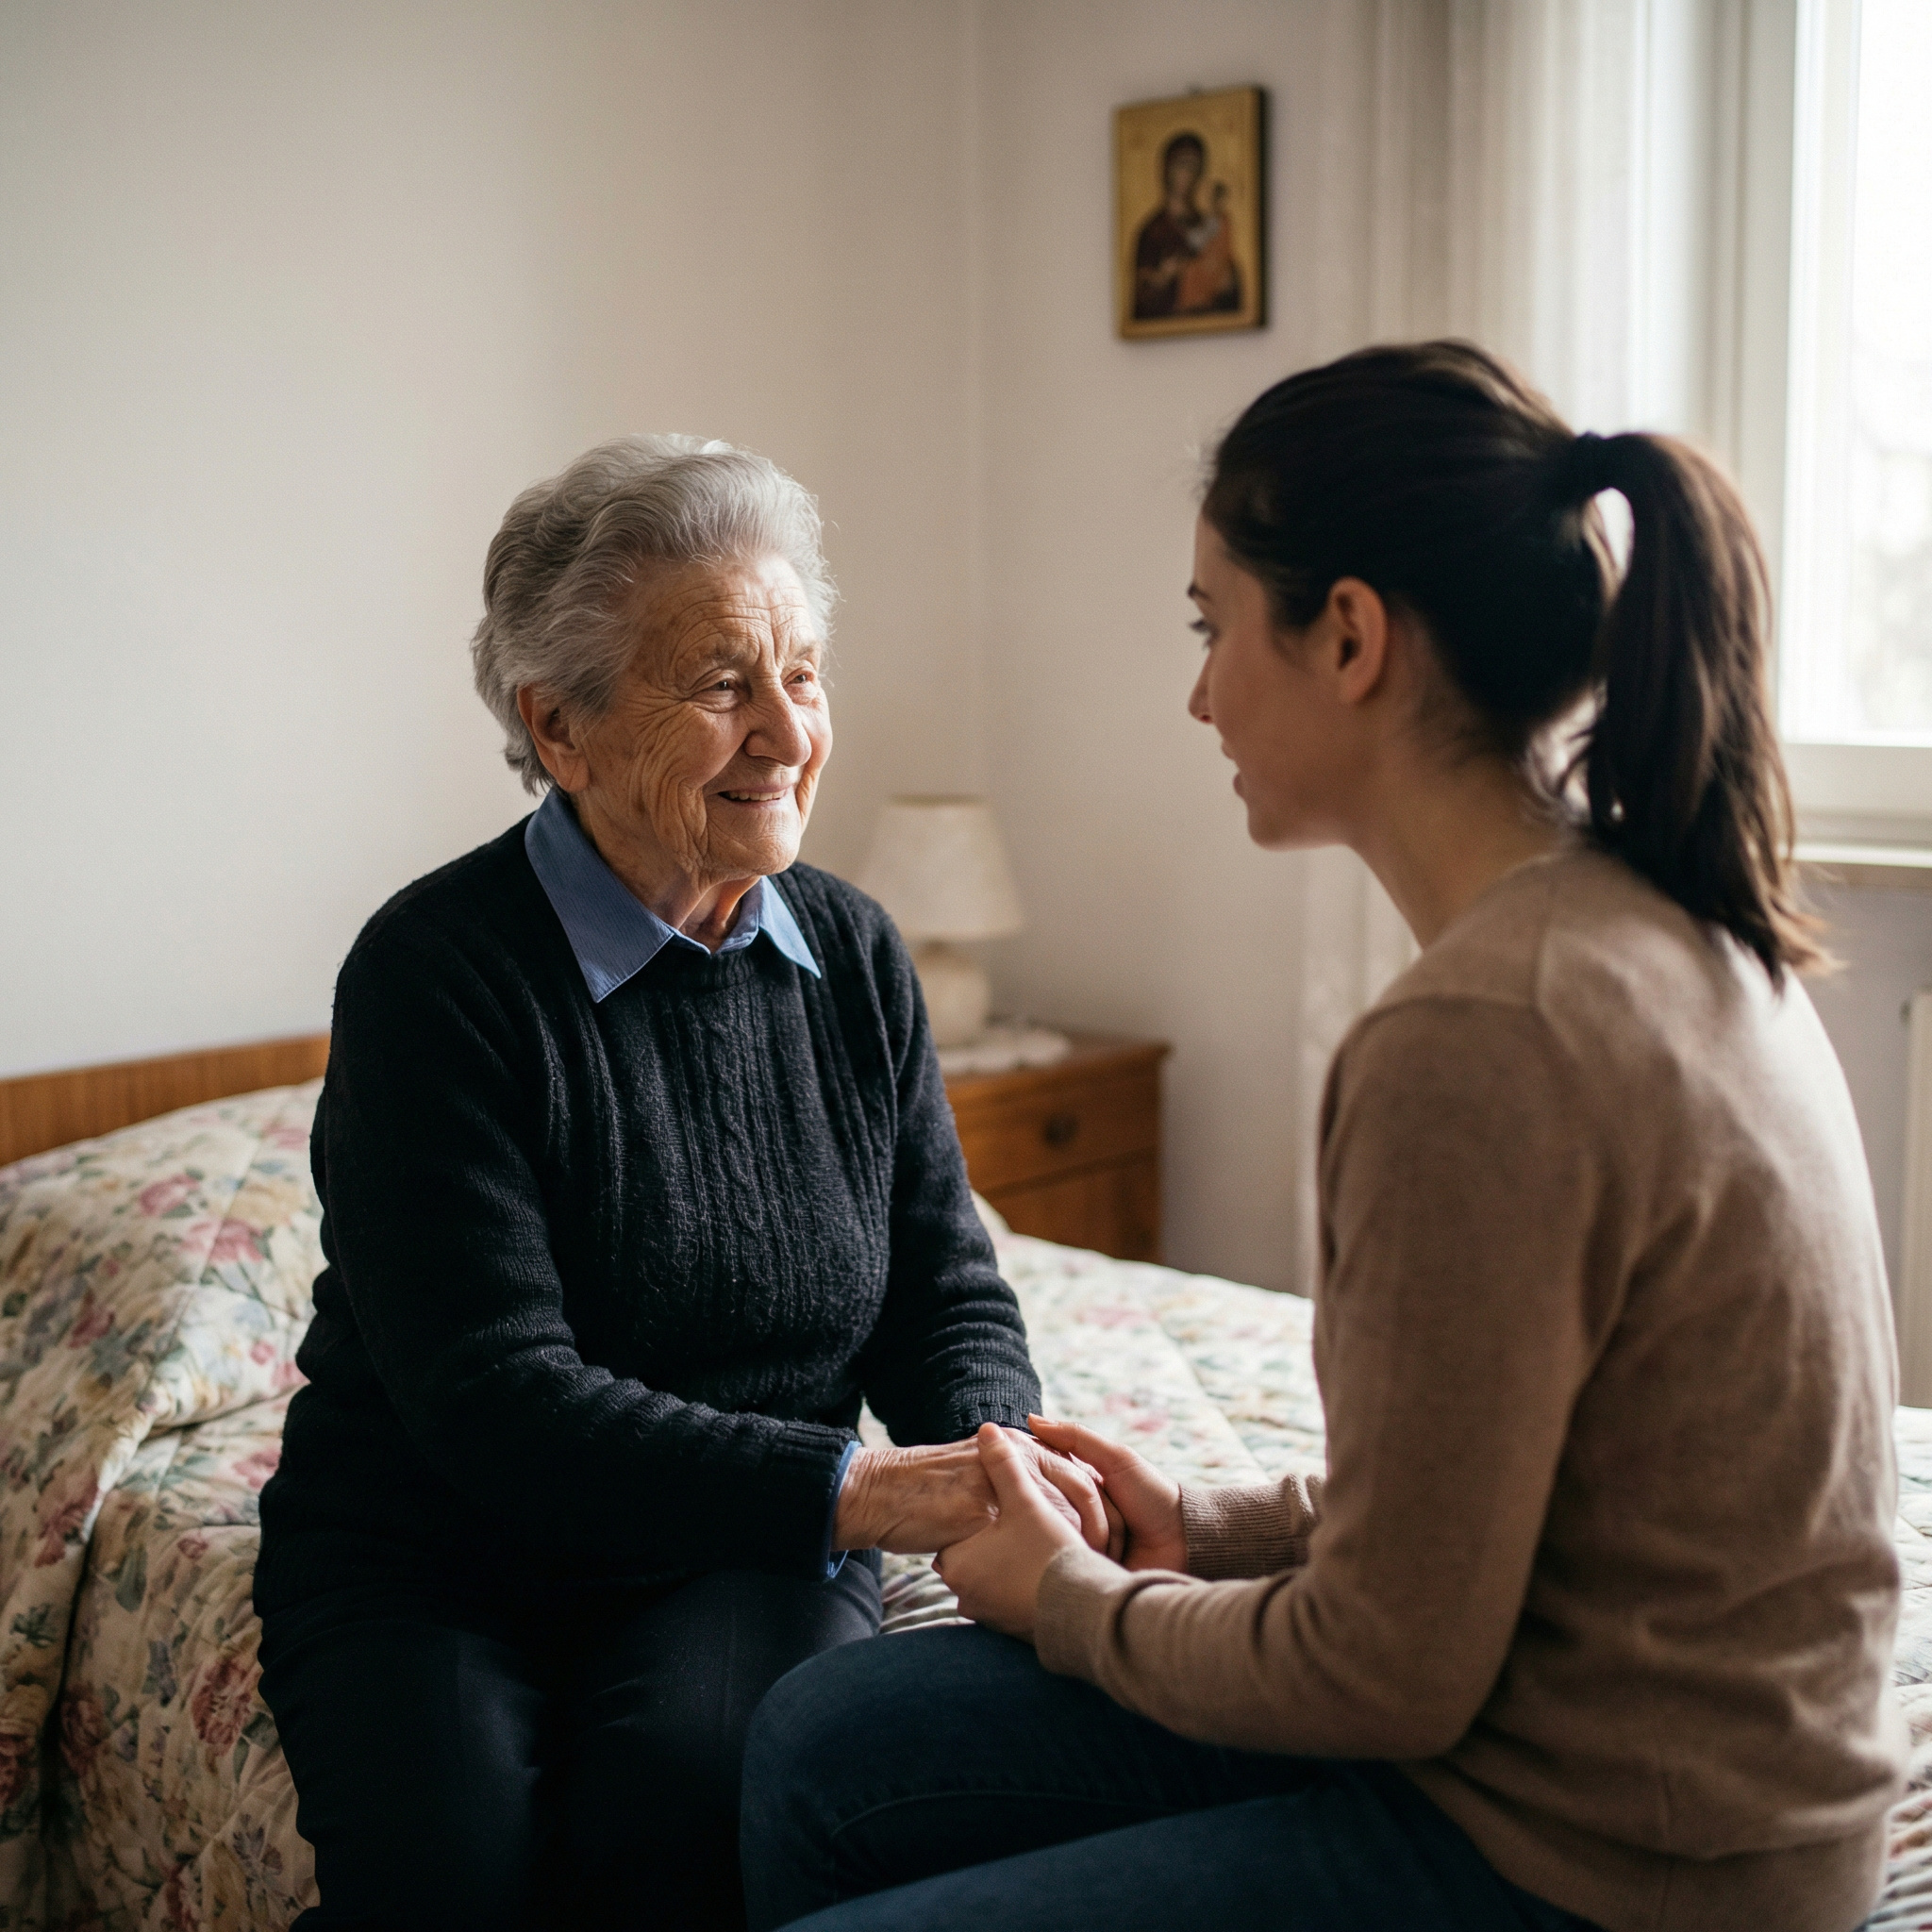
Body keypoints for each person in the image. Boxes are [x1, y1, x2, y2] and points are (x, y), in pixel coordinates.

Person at [739, 344, 1909, 1932]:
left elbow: (1382, 1668)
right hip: (1652, 1769)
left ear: (1348, 635)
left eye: (1215, 626)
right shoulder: (1668, 919)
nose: (1199, 689)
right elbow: (1513, 1482)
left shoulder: (1482, 1038)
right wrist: (1209, 1527)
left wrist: (1078, 1600)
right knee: (823, 1734)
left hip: (1622, 1865)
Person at [252, 435, 1113, 1932]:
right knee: (449, 1875)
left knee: (693, 1814)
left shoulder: (853, 954)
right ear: (559, 727)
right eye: (722, 684)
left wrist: (994, 1457)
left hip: (738, 1546)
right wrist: (856, 1486)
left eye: (805, 673)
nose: (788, 732)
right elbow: (494, 1395)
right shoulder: (435, 976)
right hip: (440, 1549)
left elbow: (941, 1279)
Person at [1132, 131, 1241, 320]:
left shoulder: (1207, 224)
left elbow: (1228, 281)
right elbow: (1141, 297)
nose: (1187, 174)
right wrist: (1164, 277)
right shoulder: (1153, 231)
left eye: (1195, 167)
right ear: (1167, 168)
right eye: (1182, 164)